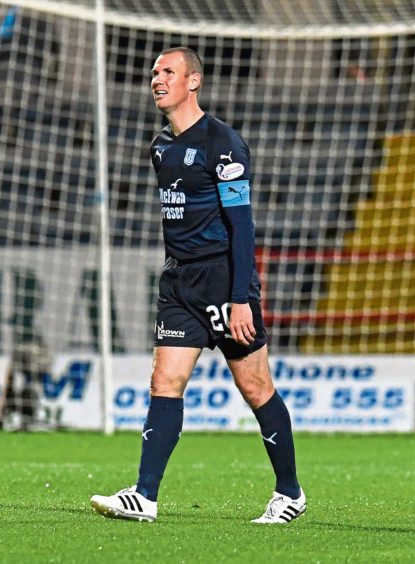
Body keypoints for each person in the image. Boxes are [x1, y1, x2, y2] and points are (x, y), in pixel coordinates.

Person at [90, 47, 305, 524]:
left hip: (223, 281)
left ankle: (289, 492)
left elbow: (242, 226)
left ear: (194, 82)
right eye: (153, 72)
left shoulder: (223, 143)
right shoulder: (160, 146)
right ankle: (145, 495)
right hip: (179, 281)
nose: (156, 79)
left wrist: (242, 298)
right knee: (165, 381)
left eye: (168, 71)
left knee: (255, 387)